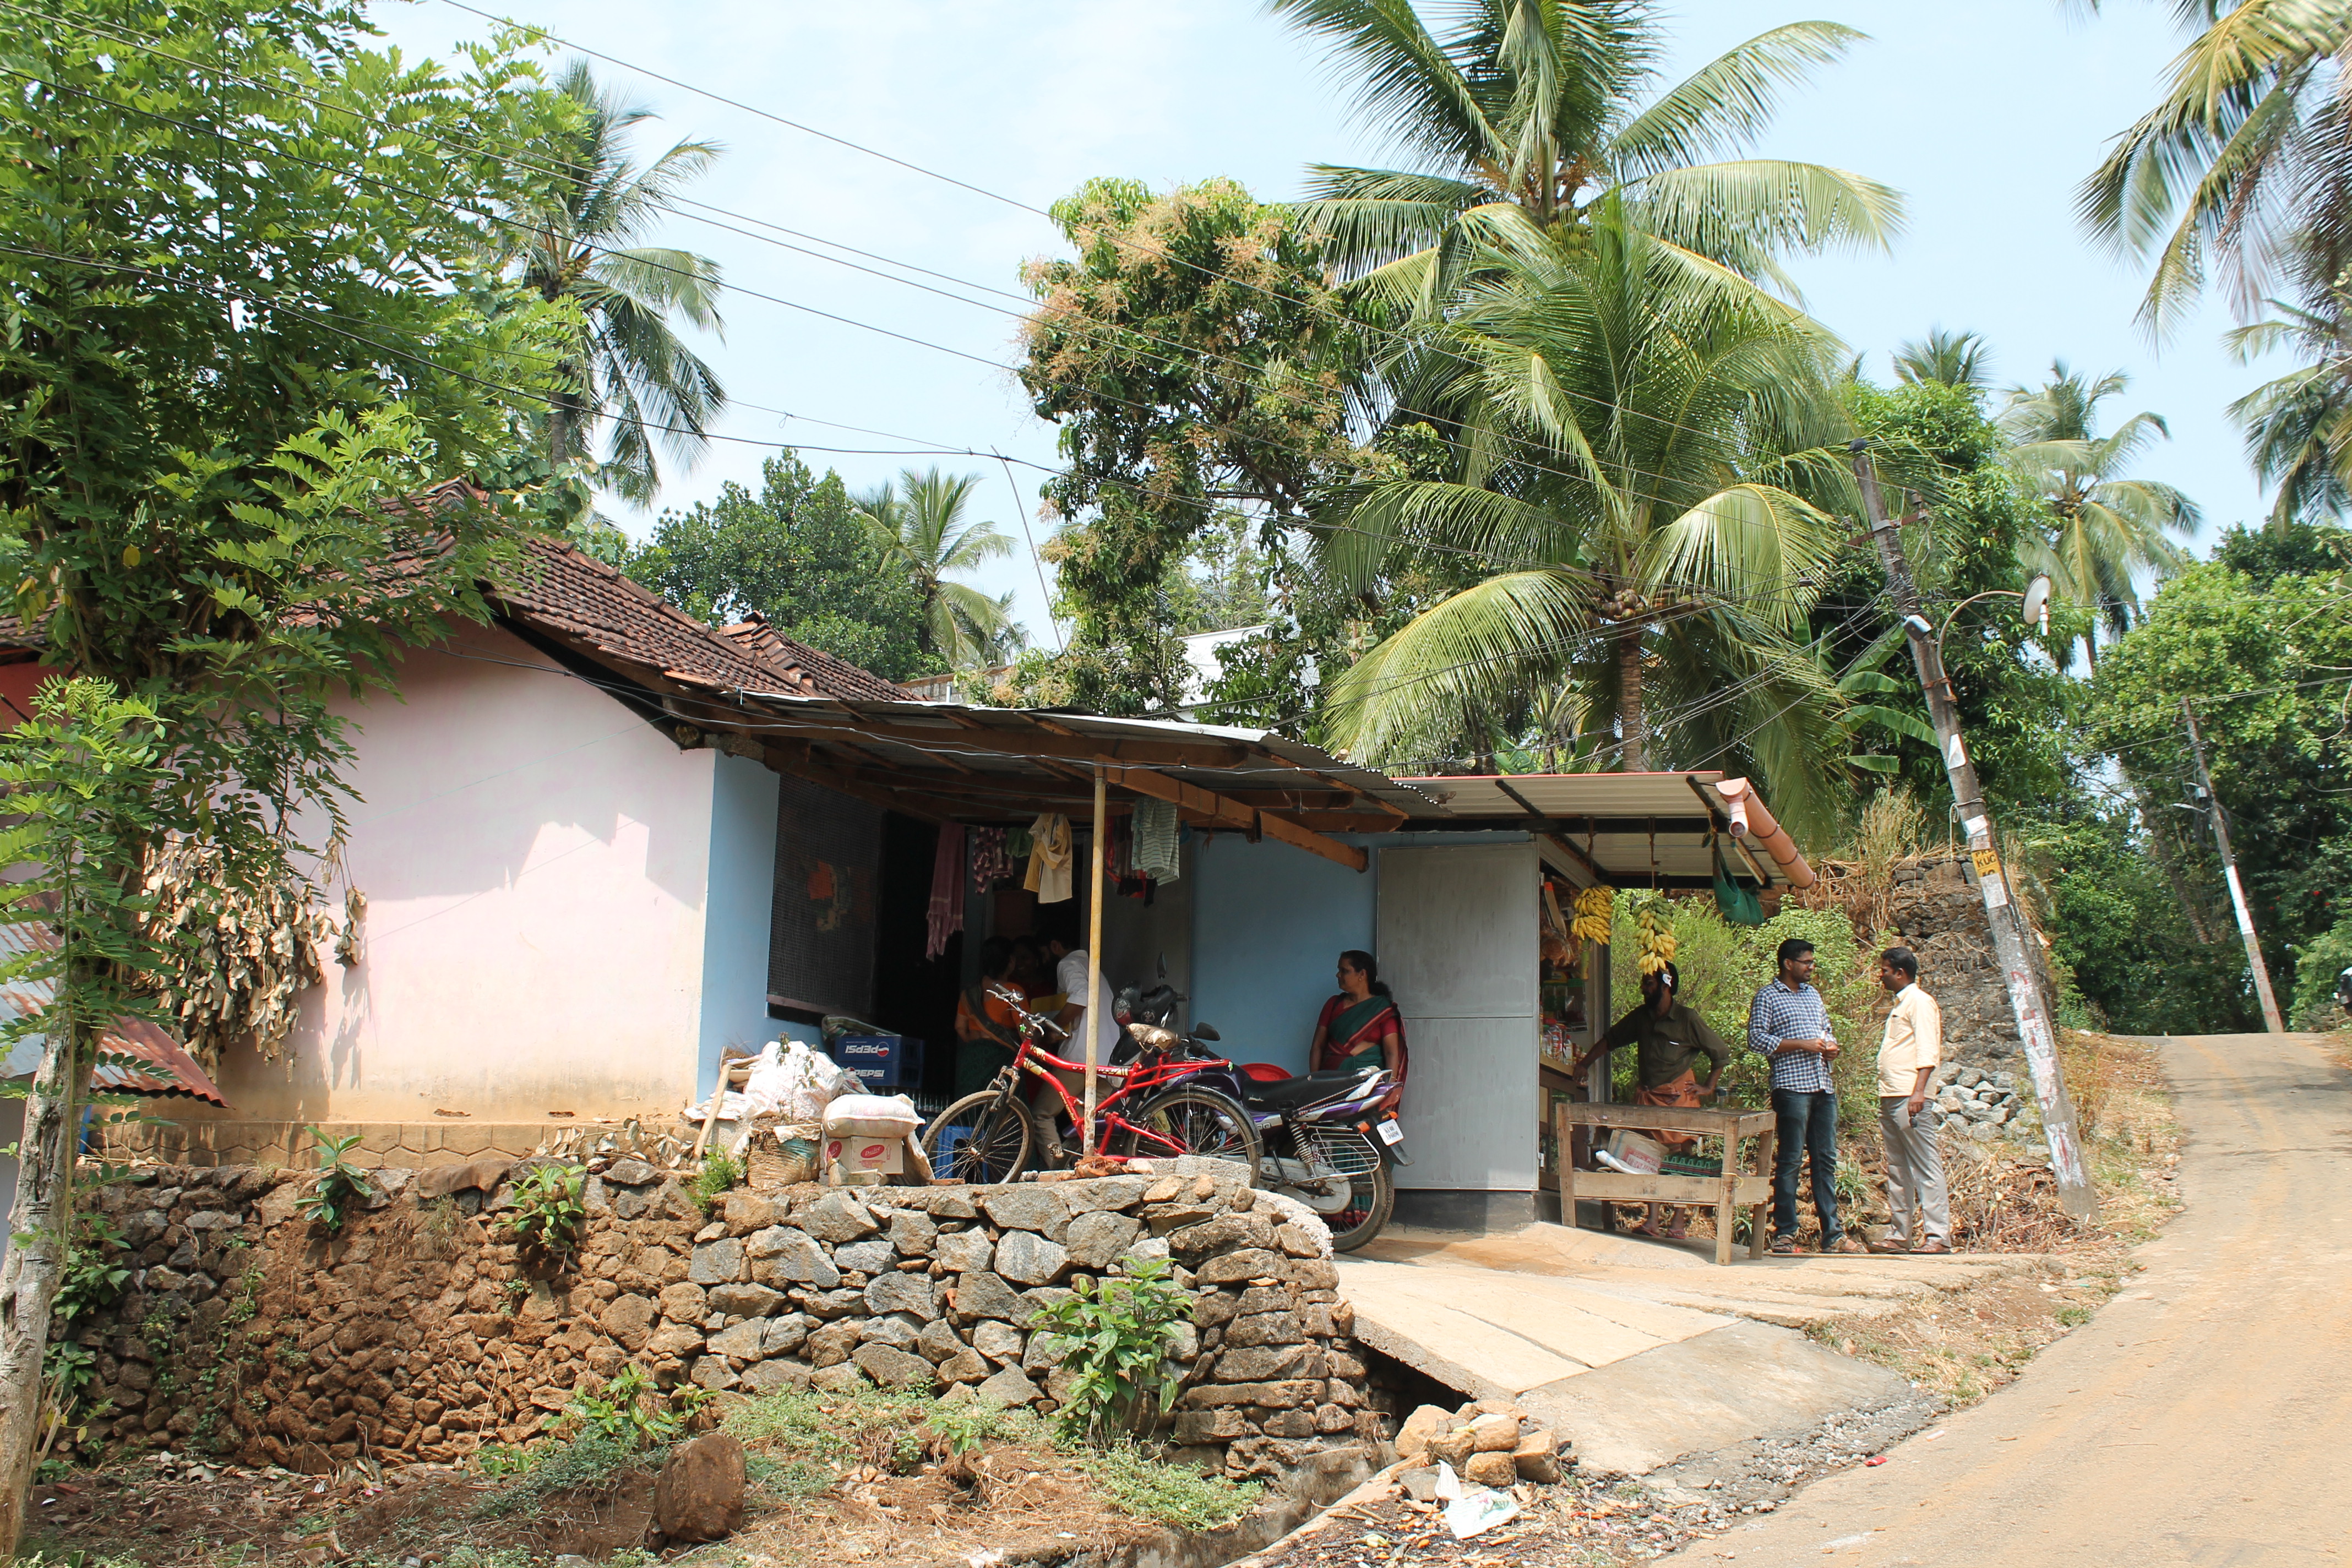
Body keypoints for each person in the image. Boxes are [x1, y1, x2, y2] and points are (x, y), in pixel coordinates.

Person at [1571, 961, 1729, 1240]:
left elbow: (1720, 1054)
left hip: (1680, 1097)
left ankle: (1678, 1222)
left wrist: (1707, 1087)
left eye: (1650, 983)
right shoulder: (1642, 1017)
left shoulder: (1687, 1019)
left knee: (1682, 1159)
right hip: (1649, 1098)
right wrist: (1585, 1063)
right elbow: (1611, 1039)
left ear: (1666, 984)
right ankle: (1652, 1219)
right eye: (1644, 983)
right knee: (1650, 1160)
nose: (1644, 989)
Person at [1747, 938, 1862, 1254]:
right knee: (1790, 1160)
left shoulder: (1813, 995)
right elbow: (1756, 1039)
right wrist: (1801, 1044)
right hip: (1791, 1087)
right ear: (1788, 964)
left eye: (1812, 962)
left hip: (1822, 1086)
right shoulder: (1768, 996)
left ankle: (1833, 1235)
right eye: (1806, 962)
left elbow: (1825, 1031)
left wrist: (1830, 1047)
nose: (1812, 967)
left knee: (1825, 1160)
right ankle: (1785, 1233)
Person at [1871, 946, 1952, 1255]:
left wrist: (1919, 1092)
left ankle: (1937, 1236)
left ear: (1900, 973)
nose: (1881, 975)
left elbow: (1928, 1051)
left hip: (1909, 1095)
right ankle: (1900, 1234)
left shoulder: (1920, 1002)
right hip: (1891, 1094)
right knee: (1897, 1166)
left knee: (1925, 1165)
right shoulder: (1901, 1004)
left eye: (1885, 970)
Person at [952, 937, 1031, 1096]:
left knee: (970, 1107)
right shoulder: (1013, 992)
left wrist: (978, 1045)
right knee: (1002, 1108)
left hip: (973, 1058)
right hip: (1000, 1060)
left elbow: (960, 1027)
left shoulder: (968, 994)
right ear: (1011, 961)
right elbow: (1024, 1029)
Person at [1310, 951, 1407, 1080]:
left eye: (1344, 971)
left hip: (1369, 1084)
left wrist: (1389, 1086)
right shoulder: (1333, 1004)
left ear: (1362, 974)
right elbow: (1318, 1046)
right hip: (1331, 1082)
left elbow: (1391, 1053)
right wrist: (1313, 1081)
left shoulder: (1382, 1009)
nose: (1338, 975)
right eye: (1339, 970)